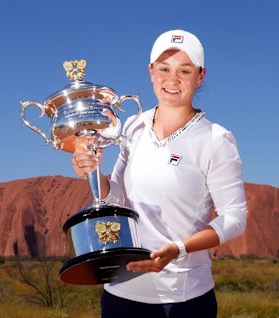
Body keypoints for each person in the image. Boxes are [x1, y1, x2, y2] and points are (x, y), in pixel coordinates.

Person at [71, 29, 248, 318]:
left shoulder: (215, 139)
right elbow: (118, 196)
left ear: (200, 76)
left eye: (184, 71)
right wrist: (94, 173)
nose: (172, 80)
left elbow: (235, 218)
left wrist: (178, 249)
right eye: (164, 69)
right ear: (151, 72)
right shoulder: (133, 127)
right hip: (121, 291)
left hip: (181, 298)